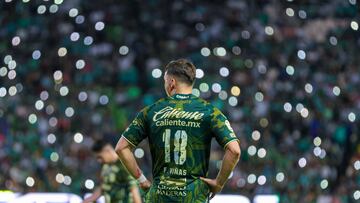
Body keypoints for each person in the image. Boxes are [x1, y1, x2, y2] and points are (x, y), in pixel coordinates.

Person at [115, 59, 241, 202]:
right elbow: (234, 150)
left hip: (159, 196)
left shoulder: (151, 111)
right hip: (194, 196)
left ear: (171, 82)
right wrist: (219, 183)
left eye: (164, 80)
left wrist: (142, 180)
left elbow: (121, 148)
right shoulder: (210, 112)